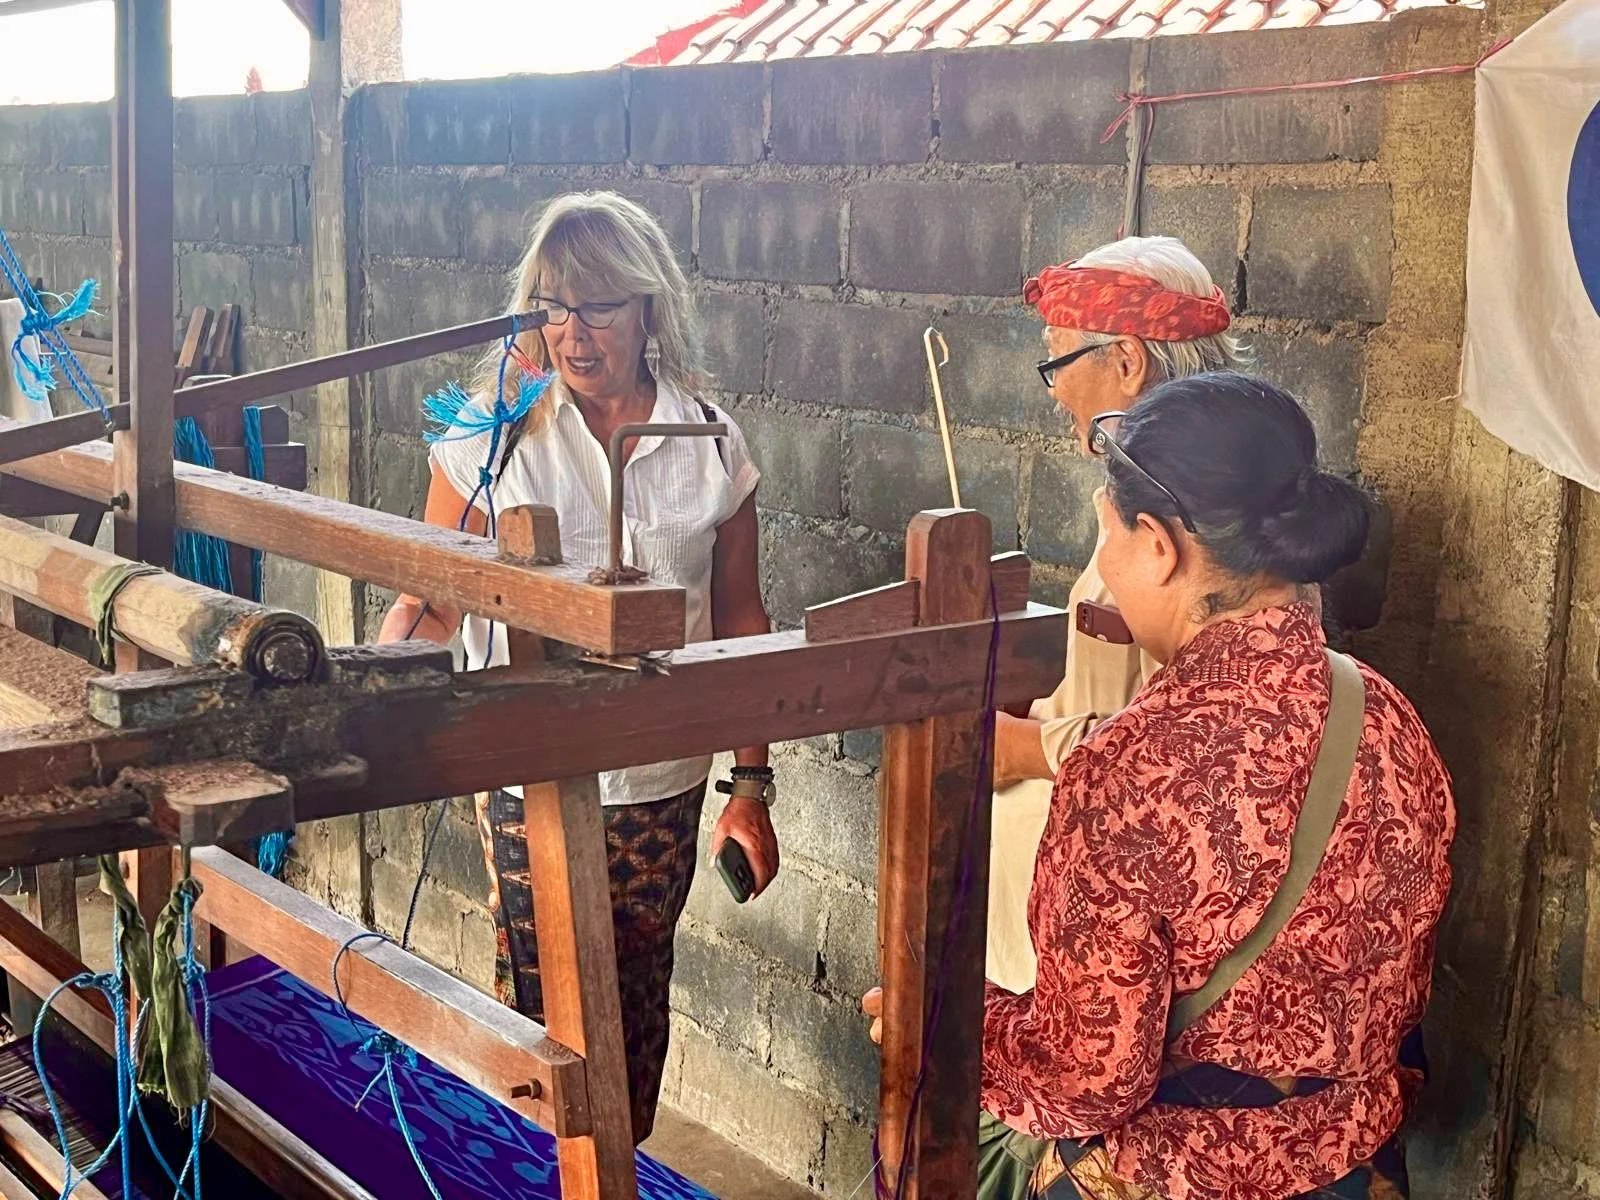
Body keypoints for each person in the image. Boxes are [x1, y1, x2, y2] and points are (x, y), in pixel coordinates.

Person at [869, 372, 1455, 1199]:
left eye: (1107, 534)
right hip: (1354, 1168)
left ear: (1158, 545)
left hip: (1178, 1178)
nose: (1105, 560)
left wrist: (941, 1029)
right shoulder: (1390, 719)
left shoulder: (1128, 774)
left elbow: (1084, 1080)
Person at [377, 191, 778, 1144]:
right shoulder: (492, 434)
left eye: (598, 306)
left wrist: (752, 783)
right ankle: (540, 1167)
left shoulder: (711, 441)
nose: (574, 332)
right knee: (541, 992)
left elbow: (740, 617)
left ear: (648, 310)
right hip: (522, 770)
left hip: (659, 779)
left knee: (636, 988)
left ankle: (619, 1165)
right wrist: (374, 690)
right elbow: (432, 595)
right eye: (552, 306)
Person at [987, 236, 1251, 994]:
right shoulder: (1143, 495)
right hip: (1062, 922)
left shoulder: (1203, 519)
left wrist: (1028, 749)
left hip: (1114, 947)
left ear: (1127, 363)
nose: (1051, 388)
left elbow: (1205, 743)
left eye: (1059, 361)